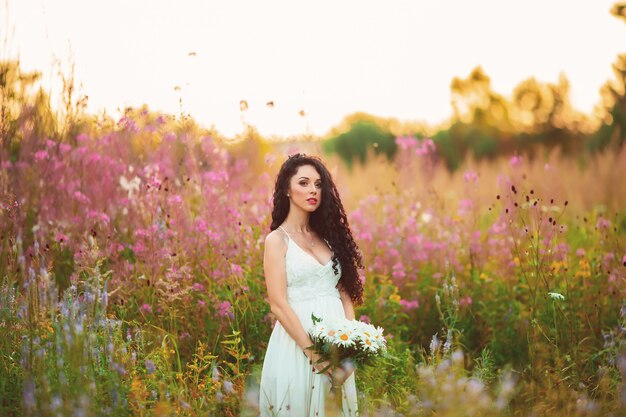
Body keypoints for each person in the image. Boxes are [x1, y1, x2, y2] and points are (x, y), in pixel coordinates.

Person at [259, 153, 364, 417]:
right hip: (298, 345)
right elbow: (278, 304)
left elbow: (343, 293)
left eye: (318, 184)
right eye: (304, 183)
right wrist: (314, 356)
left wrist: (349, 346)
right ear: (286, 189)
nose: (313, 190)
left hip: (336, 342)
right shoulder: (277, 240)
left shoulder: (328, 238)